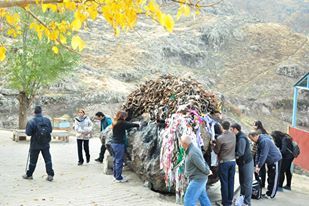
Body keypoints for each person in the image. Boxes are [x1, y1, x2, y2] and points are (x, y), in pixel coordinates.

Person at [22, 106, 54, 181]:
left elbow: (28, 133)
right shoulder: (47, 120)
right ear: (41, 111)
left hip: (35, 144)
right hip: (45, 143)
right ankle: (50, 175)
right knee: (47, 159)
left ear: (34, 112)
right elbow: (50, 130)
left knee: (33, 160)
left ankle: (29, 175)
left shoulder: (31, 121)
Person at [248, 131, 282, 198]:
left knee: (274, 178)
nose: (252, 141)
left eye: (252, 139)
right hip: (270, 160)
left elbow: (263, 154)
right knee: (270, 177)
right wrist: (257, 164)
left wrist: (259, 166)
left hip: (275, 160)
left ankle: (271, 195)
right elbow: (258, 153)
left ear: (255, 136)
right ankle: (268, 193)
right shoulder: (258, 141)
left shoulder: (264, 141)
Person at [180, 135, 211, 206]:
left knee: (188, 200)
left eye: (181, 143)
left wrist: (208, 171)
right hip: (199, 178)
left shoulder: (192, 153)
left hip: (198, 179)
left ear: (185, 144)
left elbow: (202, 165)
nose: (181, 145)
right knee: (203, 198)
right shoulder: (192, 149)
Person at [111, 111, 139, 183]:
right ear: (123, 116)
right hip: (119, 144)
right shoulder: (121, 123)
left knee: (115, 160)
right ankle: (118, 178)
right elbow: (131, 124)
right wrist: (138, 124)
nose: (126, 117)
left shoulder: (115, 122)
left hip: (113, 143)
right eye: (125, 116)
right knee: (119, 161)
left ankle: (115, 176)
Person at [213, 121, 236, 206]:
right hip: (233, 162)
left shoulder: (220, 138)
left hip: (224, 162)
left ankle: (225, 203)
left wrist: (213, 145)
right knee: (231, 182)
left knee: (224, 183)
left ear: (221, 127)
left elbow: (216, 151)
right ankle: (230, 201)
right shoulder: (233, 135)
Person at [231, 123, 253, 206]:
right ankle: (242, 199)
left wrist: (230, 154)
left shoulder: (241, 138)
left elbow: (240, 152)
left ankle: (247, 202)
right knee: (242, 182)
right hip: (242, 163)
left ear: (236, 129)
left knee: (247, 183)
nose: (231, 131)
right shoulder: (237, 137)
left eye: (231, 129)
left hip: (246, 163)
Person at [252, 120, 268, 188]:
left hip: (258, 152)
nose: (253, 126)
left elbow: (255, 145)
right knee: (262, 168)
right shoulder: (264, 131)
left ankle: (258, 182)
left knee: (256, 167)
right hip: (264, 152)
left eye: (254, 125)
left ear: (257, 125)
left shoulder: (257, 132)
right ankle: (263, 183)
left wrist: (252, 153)